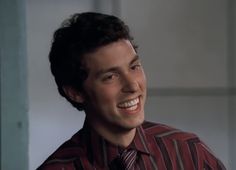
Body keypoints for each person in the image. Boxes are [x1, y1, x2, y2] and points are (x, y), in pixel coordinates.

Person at [37, 12, 226, 170]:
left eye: (134, 67)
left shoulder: (189, 154)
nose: (133, 86)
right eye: (111, 76)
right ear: (75, 92)